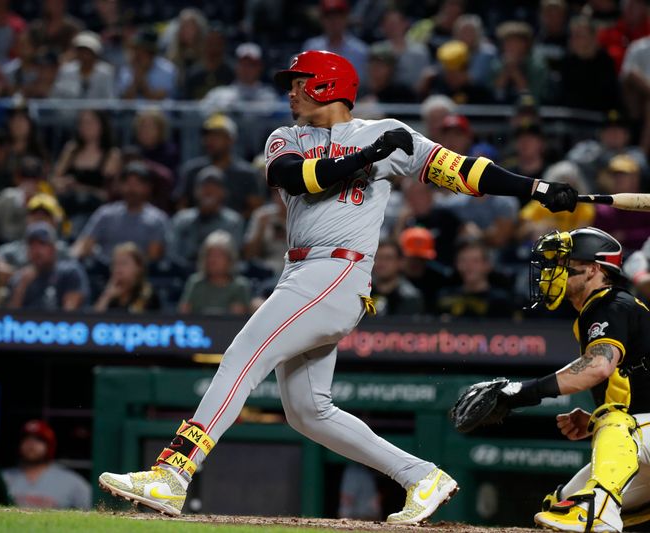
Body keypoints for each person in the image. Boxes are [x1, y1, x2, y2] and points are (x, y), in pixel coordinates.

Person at [99, 50, 578, 523]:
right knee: (308, 411)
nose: (291, 90)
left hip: (339, 272)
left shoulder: (386, 133)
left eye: (299, 80)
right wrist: (371, 157)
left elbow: (466, 171)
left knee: (244, 355)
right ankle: (422, 477)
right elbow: (297, 178)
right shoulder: (286, 136)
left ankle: (173, 472)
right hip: (302, 271)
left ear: (326, 84)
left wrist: (536, 189)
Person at [456, 227, 650, 532]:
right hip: (644, 435)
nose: (552, 272)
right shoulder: (600, 310)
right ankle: (599, 510)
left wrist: (521, 393)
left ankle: (598, 512)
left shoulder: (611, 304)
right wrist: (593, 421)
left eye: (563, 264)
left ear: (593, 270)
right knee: (560, 508)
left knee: (612, 425)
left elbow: (598, 366)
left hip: (642, 430)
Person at [72, 162, 168, 265]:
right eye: (127, 183)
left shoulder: (157, 219)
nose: (131, 189)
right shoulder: (105, 214)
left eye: (137, 184)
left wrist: (125, 267)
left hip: (140, 273)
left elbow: (153, 257)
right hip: (103, 272)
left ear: (147, 187)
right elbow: (84, 245)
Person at [176, 114, 263, 217]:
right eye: (207, 135)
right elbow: (181, 206)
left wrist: (232, 225)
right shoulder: (192, 170)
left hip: (236, 230)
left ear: (231, 139)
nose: (210, 140)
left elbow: (255, 209)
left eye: (217, 135)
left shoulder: (248, 173)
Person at [166, 166, 245, 269]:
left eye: (215, 187)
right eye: (204, 186)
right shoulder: (181, 219)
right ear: (195, 191)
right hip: (182, 273)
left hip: (219, 275)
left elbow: (233, 256)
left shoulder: (233, 221)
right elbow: (172, 252)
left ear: (224, 193)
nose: (209, 191)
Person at [2, 420, 91, 509]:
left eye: (39, 439)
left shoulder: (71, 481)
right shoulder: (3, 477)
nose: (31, 444)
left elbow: (94, 511)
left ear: (50, 446)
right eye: (26, 438)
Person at [8, 222, 89, 310]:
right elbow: (10, 318)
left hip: (59, 323)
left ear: (53, 248)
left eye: (42, 244)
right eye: (32, 245)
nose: (36, 250)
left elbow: (69, 314)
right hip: (28, 323)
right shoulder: (19, 278)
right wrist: (21, 287)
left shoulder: (70, 272)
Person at [436, 239, 516, 319]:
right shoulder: (444, 296)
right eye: (463, 260)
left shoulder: (501, 301)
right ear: (457, 264)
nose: (468, 266)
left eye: (475, 261)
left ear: (488, 265)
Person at [178, 230, 251, 316]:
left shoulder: (240, 286)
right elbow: (184, 313)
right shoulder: (195, 283)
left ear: (230, 259)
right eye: (209, 255)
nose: (213, 260)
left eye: (218, 256)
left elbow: (242, 318)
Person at [200, 43, 278, 110]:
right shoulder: (219, 94)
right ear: (236, 66)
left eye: (251, 65)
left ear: (259, 67)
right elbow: (198, 113)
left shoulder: (268, 96)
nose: (247, 69)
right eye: (243, 64)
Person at [93, 242, 160, 313]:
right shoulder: (105, 292)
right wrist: (107, 296)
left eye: (123, 263)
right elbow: (95, 320)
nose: (118, 269)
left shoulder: (148, 294)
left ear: (138, 267)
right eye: (115, 264)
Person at [51, 31, 114, 99]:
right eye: (81, 51)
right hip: (70, 109)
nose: (84, 55)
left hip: (97, 109)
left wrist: (95, 109)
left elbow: (109, 99)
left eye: (88, 52)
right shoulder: (66, 71)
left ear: (95, 54)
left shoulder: (106, 72)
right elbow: (57, 96)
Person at [369, 239, 423, 316]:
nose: (382, 263)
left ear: (400, 262)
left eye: (388, 258)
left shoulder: (410, 297)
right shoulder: (363, 292)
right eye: (378, 258)